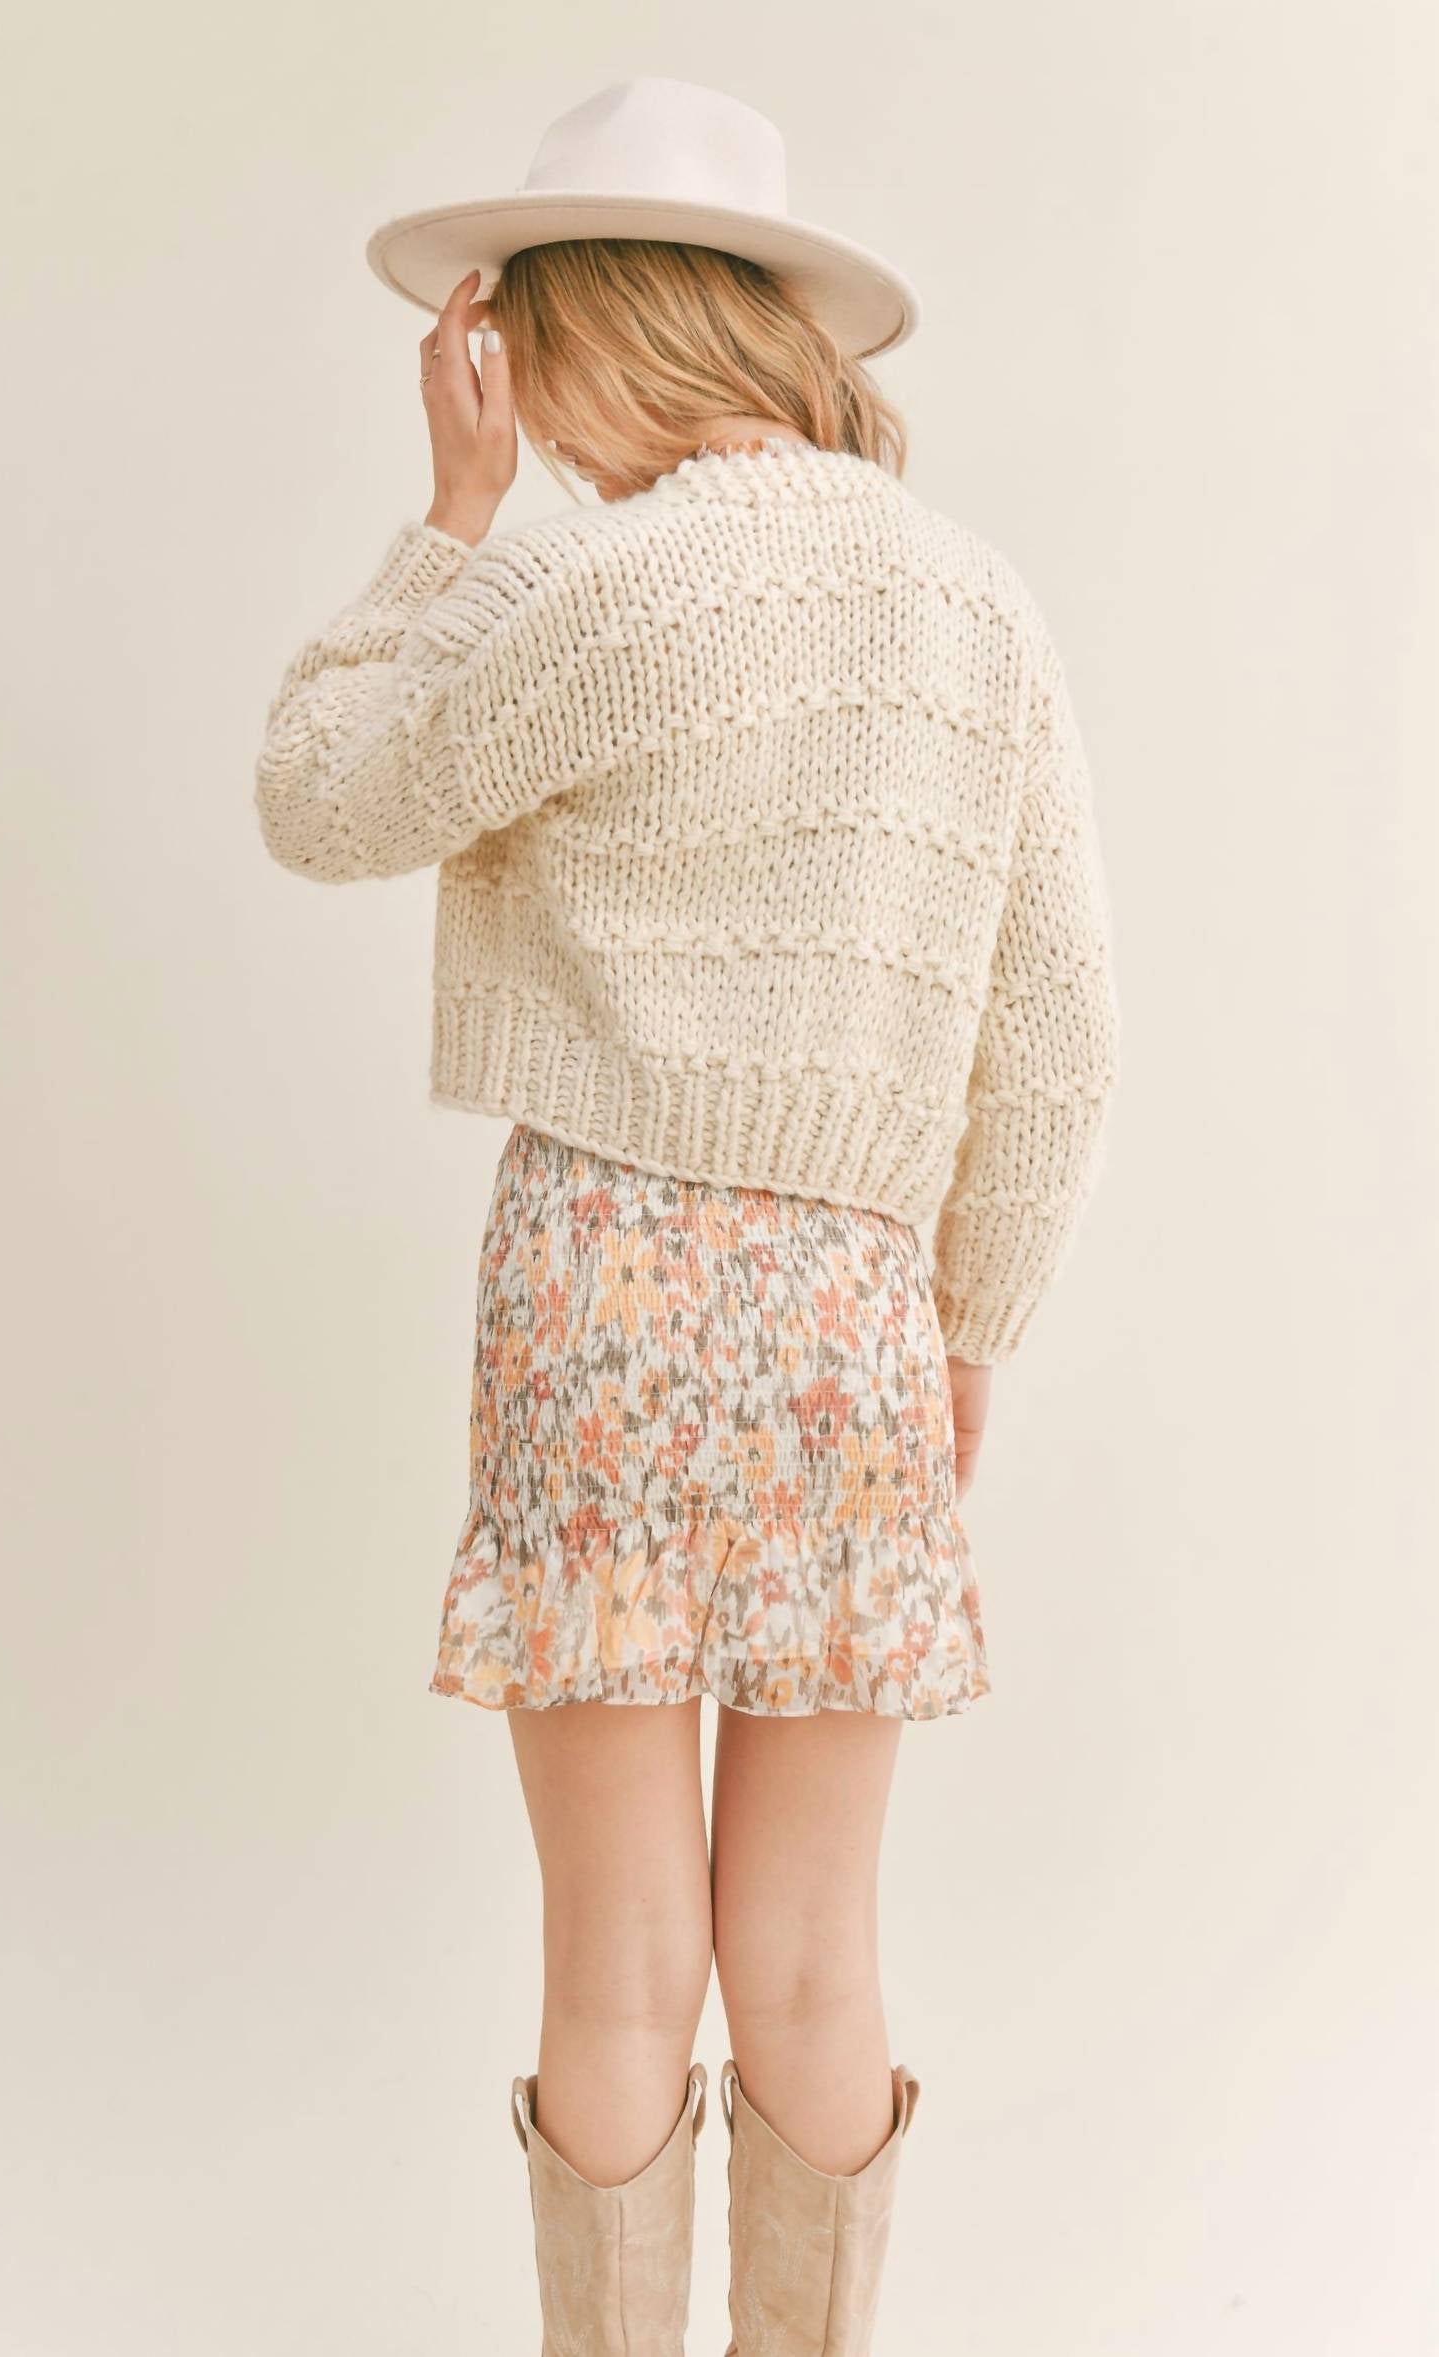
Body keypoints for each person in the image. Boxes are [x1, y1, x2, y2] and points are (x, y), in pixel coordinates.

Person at [253, 76, 1120, 2356]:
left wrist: (448, 522)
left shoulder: (597, 584)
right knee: (816, 1959)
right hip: (852, 1306)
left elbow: (320, 797)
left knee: (618, 1962)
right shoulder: (976, 609)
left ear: (569, 330)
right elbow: (1062, 1036)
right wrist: (966, 1327)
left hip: (600, 1287)